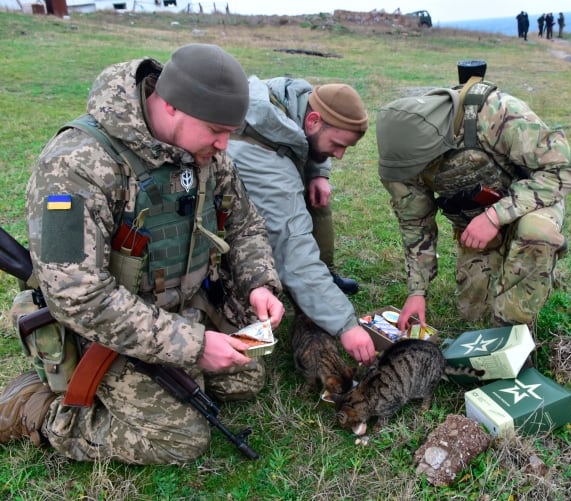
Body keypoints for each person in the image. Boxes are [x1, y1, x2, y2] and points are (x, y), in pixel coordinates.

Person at [0, 43, 285, 465]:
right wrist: (193, 346)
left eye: (231, 131)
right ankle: (32, 407)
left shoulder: (205, 153)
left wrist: (260, 282)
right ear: (170, 107)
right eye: (216, 131)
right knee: (180, 439)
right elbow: (79, 298)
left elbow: (245, 224)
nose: (225, 145)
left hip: (183, 306)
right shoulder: (76, 164)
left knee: (245, 380)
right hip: (106, 328)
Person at [375, 74, 571, 337]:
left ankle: (511, 334)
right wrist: (417, 291)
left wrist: (495, 216)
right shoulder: (402, 158)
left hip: (534, 200)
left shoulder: (497, 113)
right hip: (475, 220)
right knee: (472, 314)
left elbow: (561, 170)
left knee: (534, 235)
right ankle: (513, 260)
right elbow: (415, 224)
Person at [227, 77, 376, 365]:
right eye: (337, 144)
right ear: (314, 121)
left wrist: (319, 171)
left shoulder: (291, 95)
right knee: (246, 362)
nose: (341, 155)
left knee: (317, 194)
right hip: (221, 224)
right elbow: (292, 249)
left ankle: (323, 282)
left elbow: (306, 130)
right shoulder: (268, 166)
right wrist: (347, 326)